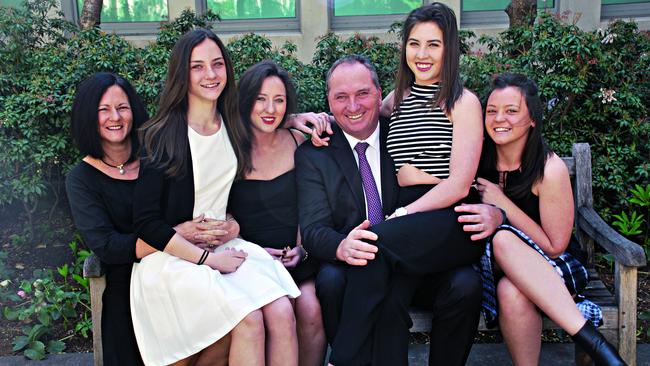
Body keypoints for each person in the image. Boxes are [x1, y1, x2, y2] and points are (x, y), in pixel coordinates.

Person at [304, 3, 490, 364]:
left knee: (375, 242)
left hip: (449, 219)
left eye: (433, 44)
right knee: (387, 296)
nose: (422, 54)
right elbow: (356, 113)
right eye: (414, 43)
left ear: (449, 48)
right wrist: (303, 120)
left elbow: (458, 184)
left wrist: (403, 211)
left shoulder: (463, 103)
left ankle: (340, 358)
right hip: (408, 230)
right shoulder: (398, 98)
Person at [130, 29, 302, 366]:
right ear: (183, 73)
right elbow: (145, 222)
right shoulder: (161, 135)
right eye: (198, 66)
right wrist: (207, 260)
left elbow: (271, 120)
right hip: (173, 260)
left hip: (223, 246)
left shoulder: (232, 125)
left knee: (282, 310)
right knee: (249, 319)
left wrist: (304, 117)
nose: (210, 74)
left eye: (217, 64)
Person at [66, 72, 234, 365]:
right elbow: (108, 246)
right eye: (103, 110)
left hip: (183, 265)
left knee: (231, 325)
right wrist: (173, 234)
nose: (114, 117)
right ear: (87, 117)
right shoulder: (81, 178)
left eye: (122, 107)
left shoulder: (157, 151)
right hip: (128, 281)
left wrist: (289, 122)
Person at [476, 73, 625, 366]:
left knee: (504, 239)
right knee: (509, 288)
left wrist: (501, 206)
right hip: (496, 270)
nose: (498, 119)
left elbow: (555, 246)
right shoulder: (478, 157)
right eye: (491, 111)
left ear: (532, 118)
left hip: (556, 267)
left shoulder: (549, 168)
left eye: (511, 110)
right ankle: (600, 350)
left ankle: (595, 345)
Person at [228, 60, 327, 366]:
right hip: (250, 260)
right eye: (261, 99)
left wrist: (300, 248)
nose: (270, 108)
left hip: (296, 255)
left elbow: (308, 204)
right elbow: (222, 211)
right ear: (246, 101)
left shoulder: (299, 141)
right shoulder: (230, 146)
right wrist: (252, 251)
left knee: (311, 308)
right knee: (279, 308)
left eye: (279, 100)